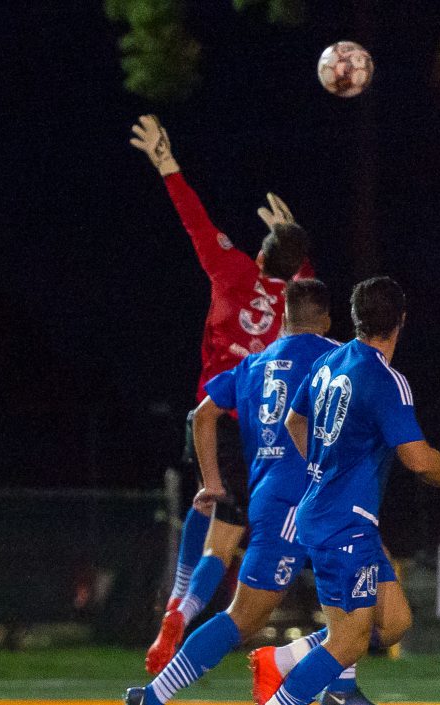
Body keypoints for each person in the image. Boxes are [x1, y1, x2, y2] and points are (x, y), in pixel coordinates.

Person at [125, 280, 397, 705]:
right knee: (244, 617)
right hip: (302, 501)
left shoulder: (253, 364)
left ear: (283, 317)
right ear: (328, 320)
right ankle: (150, 699)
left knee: (385, 610)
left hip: (283, 499)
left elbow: (202, 415)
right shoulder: (337, 355)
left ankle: (329, 677)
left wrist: (212, 482)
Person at [235, 276, 440, 705]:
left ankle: (280, 658)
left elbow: (294, 418)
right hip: (340, 524)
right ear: (401, 321)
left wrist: (320, 467)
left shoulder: (331, 360)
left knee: (393, 623)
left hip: (342, 518)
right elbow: (416, 458)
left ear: (355, 318)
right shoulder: (384, 377)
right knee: (348, 641)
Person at [130, 114, 312, 674]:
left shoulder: (231, 270)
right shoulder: (295, 298)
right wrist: (294, 239)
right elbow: (305, 277)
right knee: (226, 534)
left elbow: (195, 222)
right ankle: (182, 612)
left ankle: (175, 609)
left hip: (212, 412)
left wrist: (167, 163)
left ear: (259, 254)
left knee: (204, 511)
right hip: (261, 427)